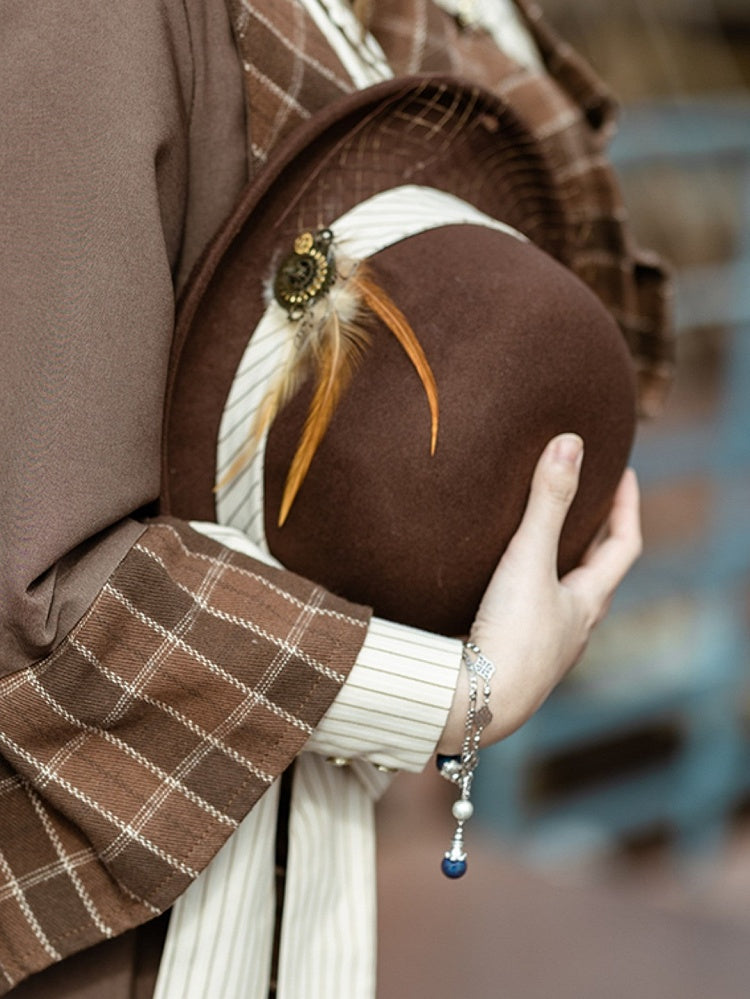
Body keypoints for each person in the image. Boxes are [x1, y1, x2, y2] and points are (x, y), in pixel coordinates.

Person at [0, 1, 671, 997]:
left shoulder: (410, 23)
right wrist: (462, 694)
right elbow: (38, 591)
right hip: (103, 905)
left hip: (308, 858)